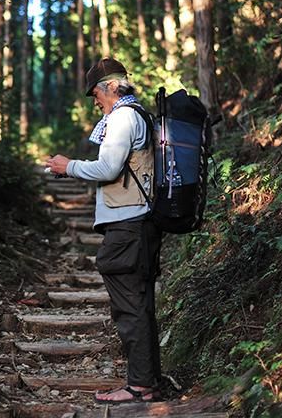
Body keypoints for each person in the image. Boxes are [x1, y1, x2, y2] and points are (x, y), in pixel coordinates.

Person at [45, 57, 163, 404]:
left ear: (112, 87)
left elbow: (109, 167)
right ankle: (147, 382)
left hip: (129, 223)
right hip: (137, 222)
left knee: (130, 303)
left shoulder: (124, 117)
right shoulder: (135, 115)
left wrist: (69, 167)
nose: (95, 100)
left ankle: (140, 386)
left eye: (96, 92)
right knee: (139, 301)